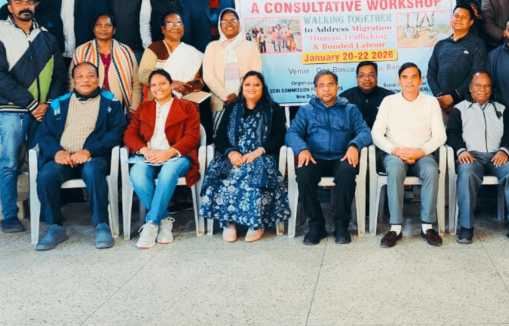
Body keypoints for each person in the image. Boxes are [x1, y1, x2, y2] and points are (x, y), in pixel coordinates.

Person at [0, 0, 67, 233]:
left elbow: (60, 75)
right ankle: (10, 215)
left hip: (43, 111)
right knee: (10, 162)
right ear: (10, 7)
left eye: (29, 2)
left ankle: (44, 209)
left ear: (35, 5)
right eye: (18, 2)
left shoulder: (47, 37)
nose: (25, 6)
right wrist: (32, 104)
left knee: (42, 161)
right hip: (13, 111)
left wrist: (48, 103)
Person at [34, 62, 126, 250]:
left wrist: (89, 150)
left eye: (91, 76)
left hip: (95, 157)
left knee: (93, 171)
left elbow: (117, 132)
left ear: (98, 79)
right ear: (73, 80)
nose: (86, 80)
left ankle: (102, 224)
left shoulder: (111, 102)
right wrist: (57, 152)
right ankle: (55, 227)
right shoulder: (59, 103)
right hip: (64, 157)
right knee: (45, 175)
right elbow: (44, 134)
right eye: (80, 76)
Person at [200, 71, 290, 242]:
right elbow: (219, 137)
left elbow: (279, 136)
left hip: (261, 155)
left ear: (263, 87)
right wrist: (231, 152)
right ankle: (229, 223)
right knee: (225, 174)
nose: (251, 88)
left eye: (256, 84)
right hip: (234, 155)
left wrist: (259, 151)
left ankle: (257, 224)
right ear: (242, 87)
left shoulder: (273, 108)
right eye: (247, 84)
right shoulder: (232, 107)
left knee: (254, 175)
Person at [285, 72, 373, 245]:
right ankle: (316, 226)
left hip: (341, 157)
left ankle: (341, 226)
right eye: (321, 85)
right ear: (315, 90)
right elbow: (292, 133)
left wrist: (354, 145)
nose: (326, 89)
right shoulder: (306, 111)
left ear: (337, 87)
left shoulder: (350, 110)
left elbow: (365, 132)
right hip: (314, 157)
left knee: (347, 173)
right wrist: (302, 148)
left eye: (330, 84)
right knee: (303, 174)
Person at [447, 72, 509, 245]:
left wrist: (504, 151)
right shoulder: (460, 109)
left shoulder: (501, 109)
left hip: (497, 156)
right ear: (470, 88)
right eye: (478, 85)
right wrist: (461, 151)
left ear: (491, 88)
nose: (482, 90)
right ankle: (466, 227)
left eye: (486, 86)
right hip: (471, 156)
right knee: (467, 174)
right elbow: (452, 133)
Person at [123, 69, 202, 249]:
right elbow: (129, 135)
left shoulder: (187, 107)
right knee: (137, 174)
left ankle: (151, 223)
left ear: (171, 85)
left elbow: (192, 136)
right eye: (153, 85)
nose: (158, 88)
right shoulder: (144, 108)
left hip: (177, 156)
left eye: (163, 83)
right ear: (149, 88)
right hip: (149, 156)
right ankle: (164, 219)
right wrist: (144, 149)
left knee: (167, 172)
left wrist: (170, 152)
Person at [372, 63, 446, 248]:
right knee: (395, 168)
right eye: (405, 77)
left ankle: (427, 226)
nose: (409, 81)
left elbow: (440, 135)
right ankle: (395, 228)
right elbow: (376, 133)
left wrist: (421, 151)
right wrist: (395, 150)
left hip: (422, 153)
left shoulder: (430, 102)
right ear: (399, 81)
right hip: (395, 154)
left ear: (420, 81)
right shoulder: (389, 101)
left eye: (414, 77)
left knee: (431, 170)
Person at [72, 13, 142, 117]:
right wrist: (74, 106)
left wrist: (133, 110)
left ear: (114, 30)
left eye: (108, 25)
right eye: (99, 25)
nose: (103, 28)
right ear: (93, 29)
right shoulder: (81, 51)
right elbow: (72, 82)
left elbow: (136, 83)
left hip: (120, 110)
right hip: (86, 109)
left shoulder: (126, 52)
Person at [203, 8, 262, 128]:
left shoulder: (251, 46)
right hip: (220, 103)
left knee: (246, 134)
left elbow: (255, 74)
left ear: (239, 24)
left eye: (233, 20)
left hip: (246, 101)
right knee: (221, 135)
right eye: (224, 21)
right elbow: (208, 76)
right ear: (220, 25)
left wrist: (240, 96)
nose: (229, 24)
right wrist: (226, 97)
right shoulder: (212, 47)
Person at [427, 5, 487, 114]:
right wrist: (441, 98)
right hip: (441, 105)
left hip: (467, 105)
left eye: (463, 17)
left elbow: (476, 75)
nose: (459, 19)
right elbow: (431, 73)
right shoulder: (440, 45)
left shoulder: (477, 44)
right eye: (456, 16)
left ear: (471, 22)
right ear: (451, 19)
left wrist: (453, 97)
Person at [139, 12, 205, 103]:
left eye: (179, 23)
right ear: (163, 29)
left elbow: (204, 77)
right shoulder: (154, 48)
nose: (175, 27)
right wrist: (170, 83)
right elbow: (142, 75)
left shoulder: (192, 52)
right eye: (170, 24)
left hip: (188, 103)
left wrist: (195, 84)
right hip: (159, 102)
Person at [339, 61, 394, 129]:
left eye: (371, 75)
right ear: (357, 78)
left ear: (376, 77)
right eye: (362, 76)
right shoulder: (345, 98)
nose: (367, 79)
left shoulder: (390, 97)